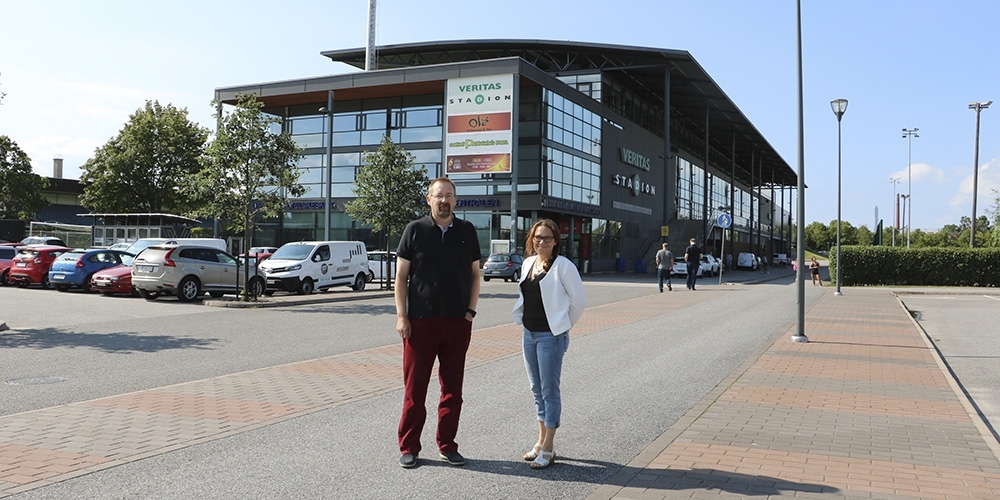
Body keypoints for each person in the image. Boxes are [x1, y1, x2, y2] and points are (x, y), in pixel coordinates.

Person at [394, 177, 482, 469]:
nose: (444, 200)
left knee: (453, 390)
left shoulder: (467, 231)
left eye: (449, 195)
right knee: (414, 390)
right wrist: (402, 316)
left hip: (457, 322)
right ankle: (409, 447)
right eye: (439, 195)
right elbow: (401, 277)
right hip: (420, 323)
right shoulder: (415, 230)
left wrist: (470, 312)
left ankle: (447, 445)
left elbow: (475, 275)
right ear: (429, 199)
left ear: (456, 200)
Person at [512, 219, 587, 470]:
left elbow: (579, 301)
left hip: (550, 337)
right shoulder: (528, 263)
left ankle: (549, 447)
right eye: (537, 237)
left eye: (547, 238)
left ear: (555, 241)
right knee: (536, 390)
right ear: (531, 239)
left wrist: (562, 326)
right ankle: (540, 440)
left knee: (549, 391)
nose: (541, 242)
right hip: (529, 334)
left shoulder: (563, 266)